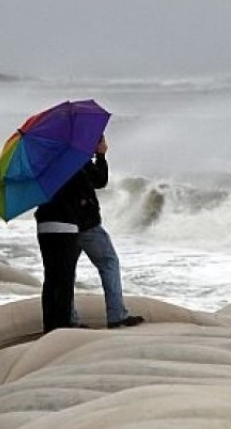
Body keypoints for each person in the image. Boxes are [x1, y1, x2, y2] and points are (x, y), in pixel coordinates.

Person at [71, 135, 145, 329]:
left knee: (66, 271)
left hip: (64, 224)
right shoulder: (76, 158)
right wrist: (100, 156)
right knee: (109, 262)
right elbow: (99, 180)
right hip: (86, 223)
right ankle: (116, 315)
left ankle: (69, 317)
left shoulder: (56, 158)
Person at [33, 172, 83, 333]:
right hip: (67, 226)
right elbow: (97, 181)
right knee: (65, 279)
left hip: (44, 226)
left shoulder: (41, 169)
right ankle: (62, 324)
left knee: (51, 277)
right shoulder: (71, 167)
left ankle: (49, 324)